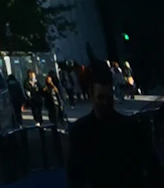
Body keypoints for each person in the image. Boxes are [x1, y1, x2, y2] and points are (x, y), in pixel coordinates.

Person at [67, 60, 161, 188]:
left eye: (108, 97)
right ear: (92, 97)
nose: (105, 102)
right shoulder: (80, 132)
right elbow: (75, 175)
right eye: (101, 97)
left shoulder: (131, 129)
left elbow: (152, 166)